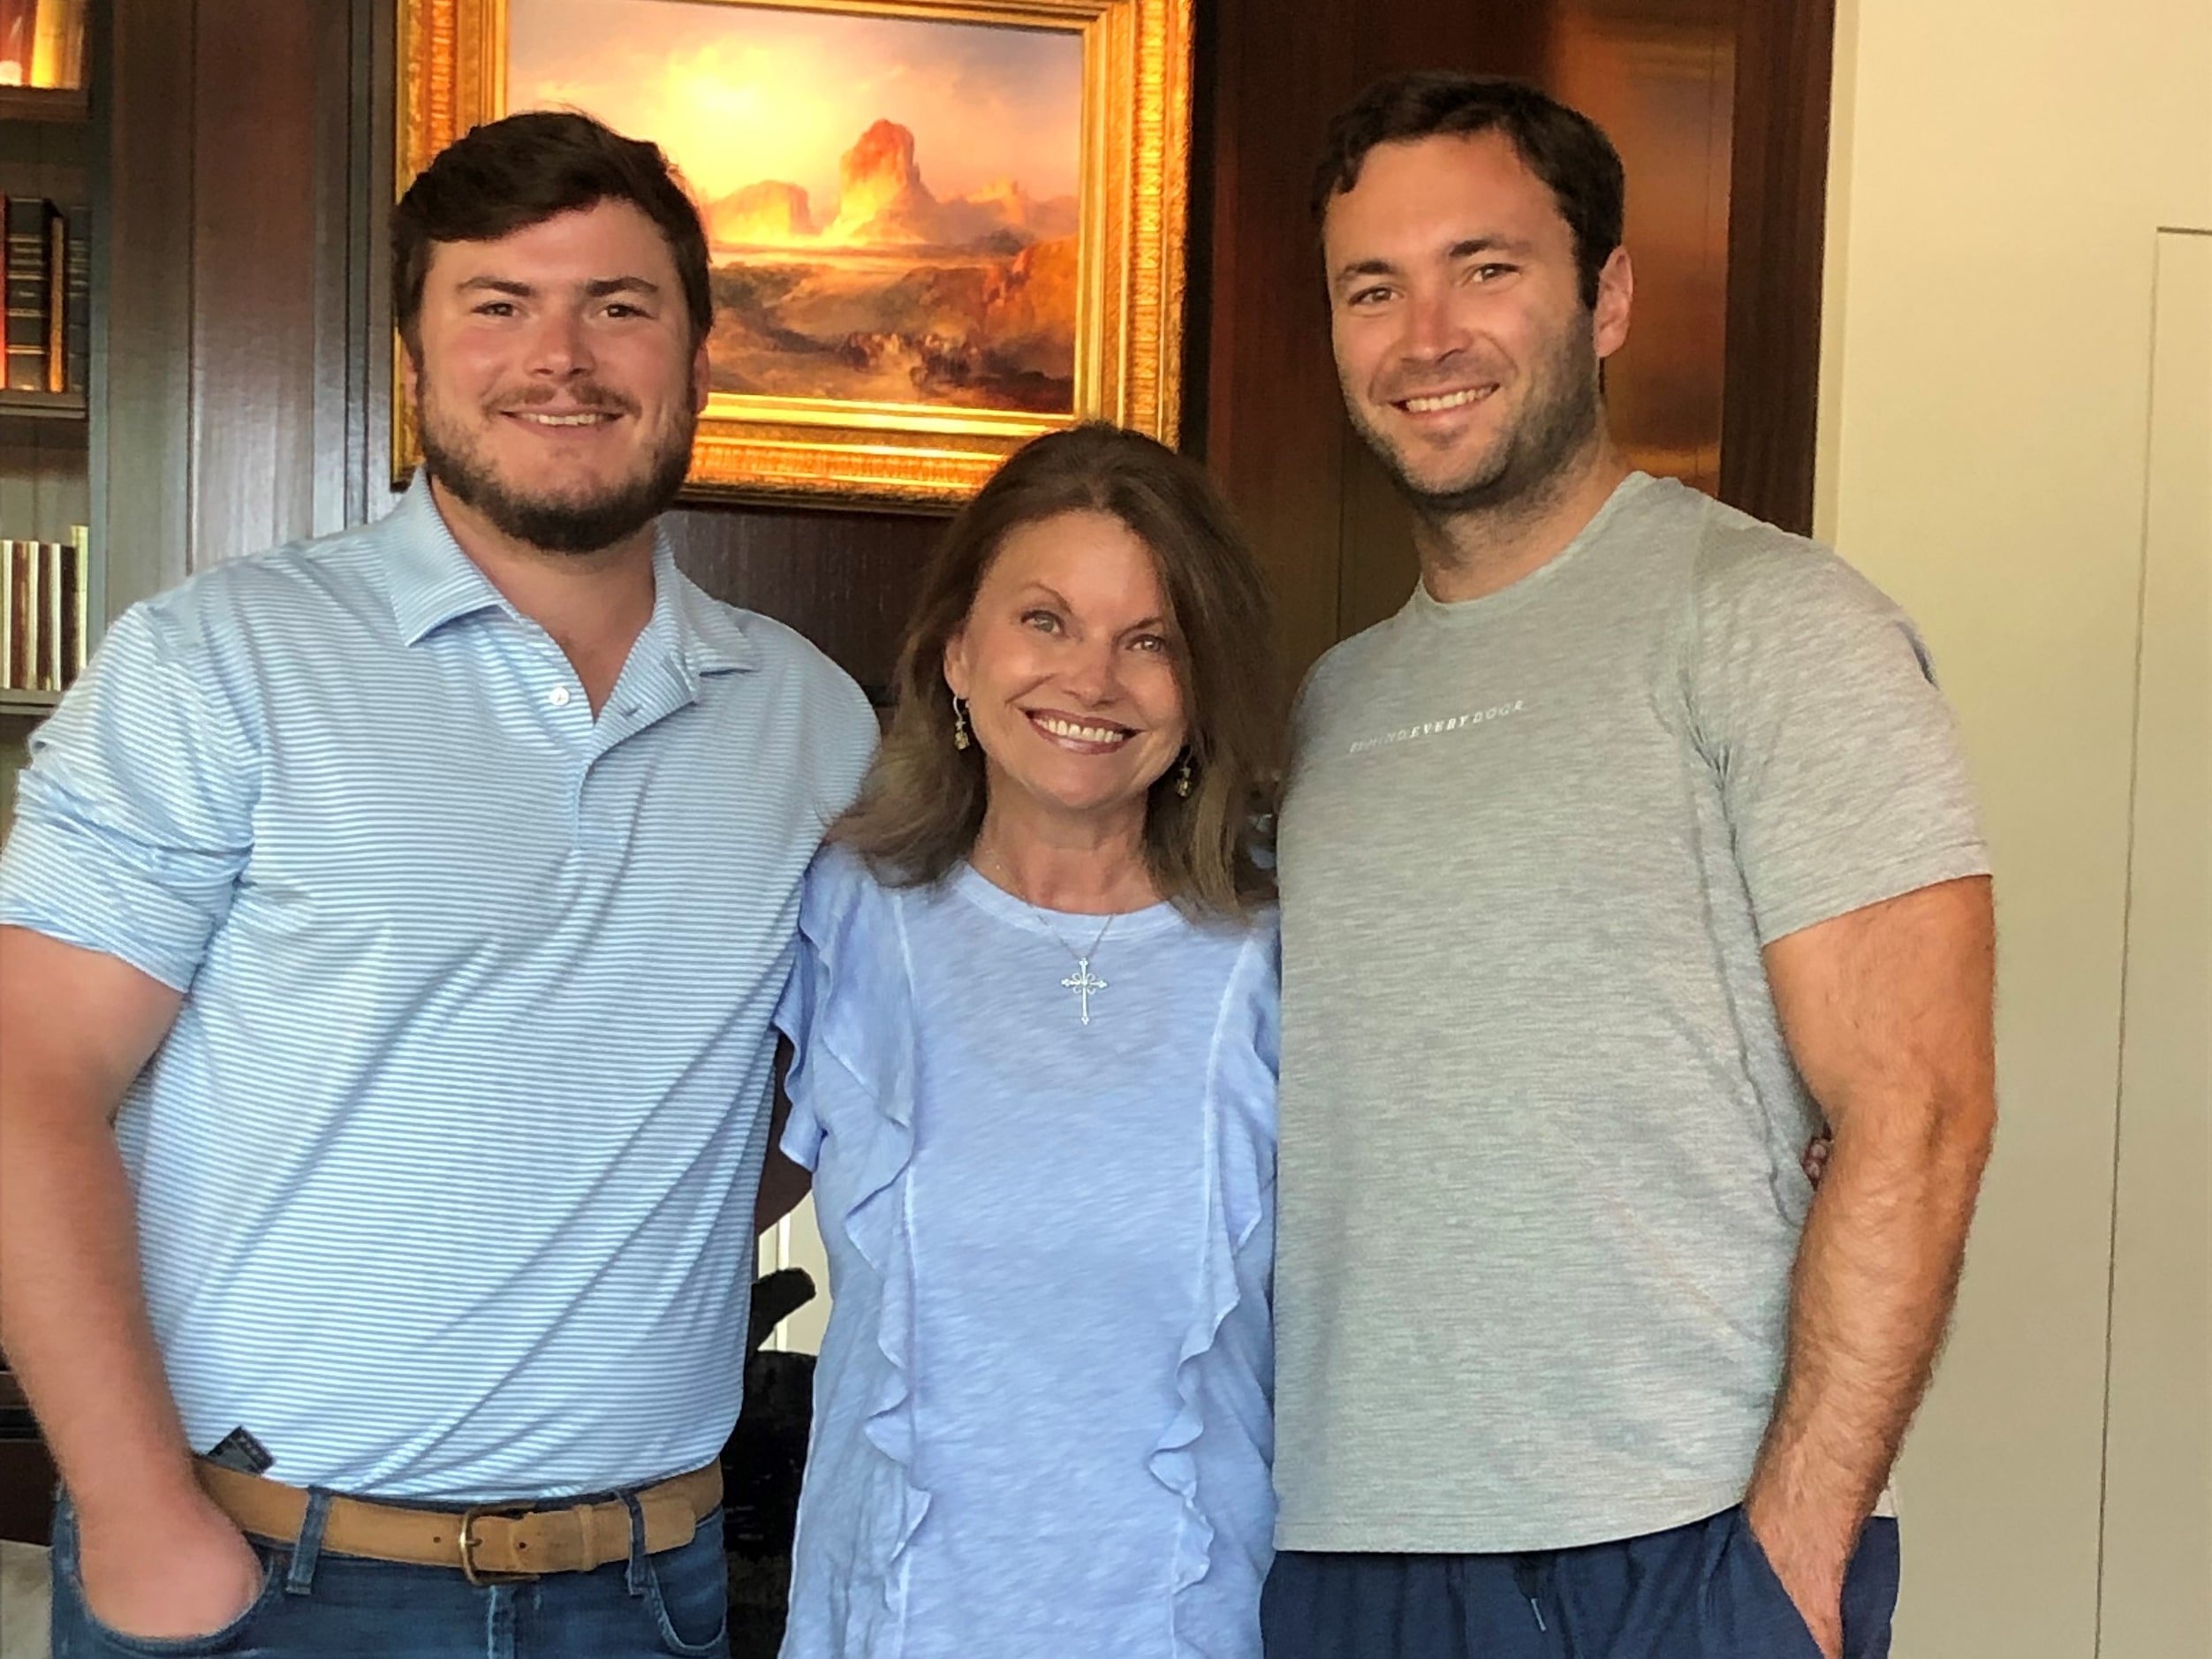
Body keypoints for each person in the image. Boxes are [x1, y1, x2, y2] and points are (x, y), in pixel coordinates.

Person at [0, 110, 876, 1656]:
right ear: (414, 352)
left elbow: (799, 1102)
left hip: (645, 1584)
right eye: (498, 304)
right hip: (269, 1571)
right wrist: (136, 1514)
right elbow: (28, 1081)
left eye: (618, 303)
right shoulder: (224, 659)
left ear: (695, 355)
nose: (564, 355)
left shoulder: (809, 716)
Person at [1262, 72, 1996, 1659]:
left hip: (1665, 1555)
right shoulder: (1335, 704)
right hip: (1345, 1552)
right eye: (1371, 288)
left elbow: (1920, 1107)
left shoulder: (1774, 624)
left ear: (1606, 298)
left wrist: (1785, 1568)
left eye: (1487, 266)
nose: (1426, 333)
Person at [770, 422, 1281, 1659]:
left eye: (1149, 638)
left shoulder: (1287, 944)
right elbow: (690, 1198)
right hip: (890, 1624)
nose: (1092, 678)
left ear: (1200, 680)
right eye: (1044, 620)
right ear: (957, 648)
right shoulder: (841, 909)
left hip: (1199, 1626)